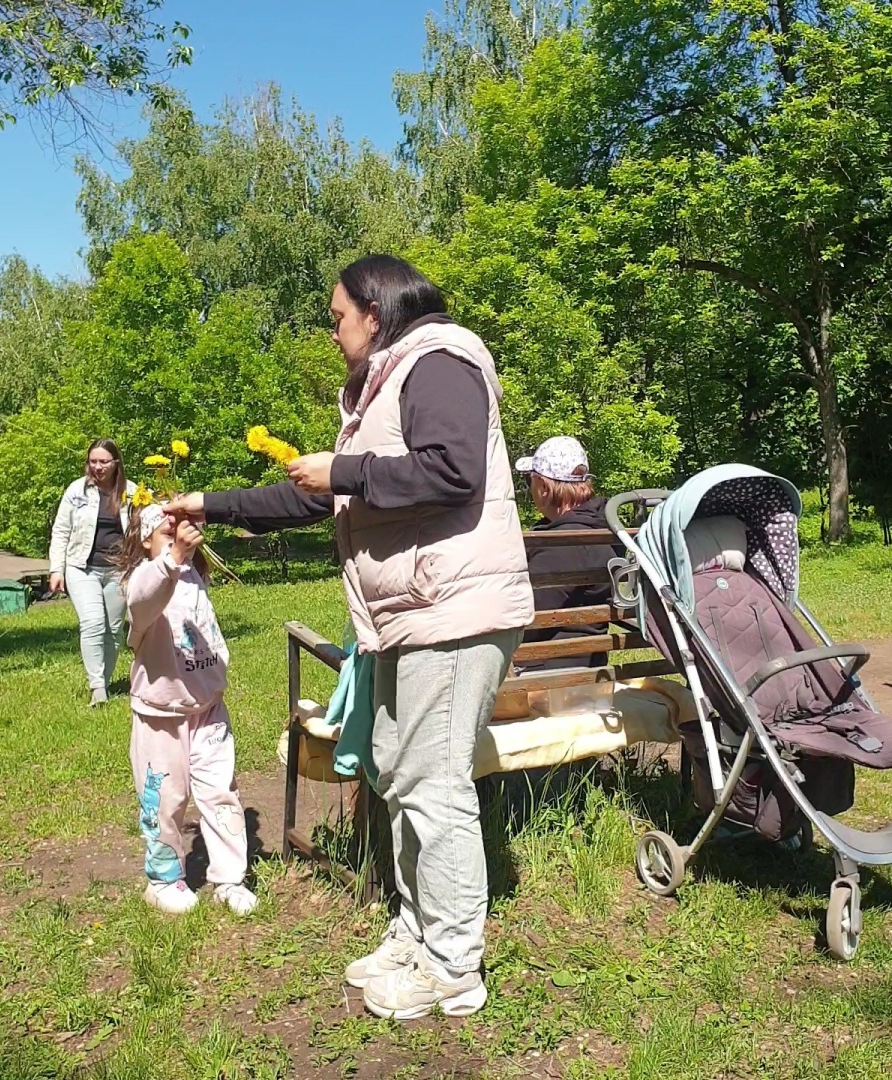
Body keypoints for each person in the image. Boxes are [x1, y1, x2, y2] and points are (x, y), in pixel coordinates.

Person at [167, 254, 533, 1019]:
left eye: (337, 317)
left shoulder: (438, 358)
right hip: (412, 618)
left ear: (375, 309)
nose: (333, 333)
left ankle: (454, 967)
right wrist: (210, 502)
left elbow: (452, 470)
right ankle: (416, 930)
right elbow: (326, 498)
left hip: (453, 615)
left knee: (435, 787)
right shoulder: (385, 385)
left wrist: (347, 468)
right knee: (401, 777)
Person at [116, 501, 258, 917]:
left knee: (220, 792)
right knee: (165, 798)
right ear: (146, 540)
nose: (181, 541)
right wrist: (173, 557)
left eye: (186, 533)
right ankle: (163, 878)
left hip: (208, 709)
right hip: (162, 717)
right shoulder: (142, 580)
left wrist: (185, 554)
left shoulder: (194, 575)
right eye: (167, 533)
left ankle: (229, 877)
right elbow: (144, 600)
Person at [514, 436, 620, 672]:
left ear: (543, 487)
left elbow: (525, 620)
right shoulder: (604, 530)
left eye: (531, 480)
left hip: (546, 673)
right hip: (586, 666)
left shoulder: (562, 544)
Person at [48, 439, 136, 706]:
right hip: (81, 567)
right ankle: (97, 688)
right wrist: (56, 569)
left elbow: (150, 525)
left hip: (119, 569)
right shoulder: (77, 490)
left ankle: (105, 681)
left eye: (103, 462)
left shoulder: (132, 492)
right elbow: (61, 531)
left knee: (113, 629)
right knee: (93, 623)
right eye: (93, 461)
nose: (97, 467)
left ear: (115, 463)